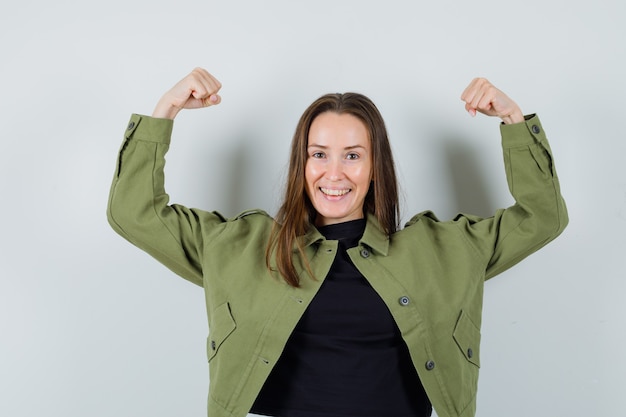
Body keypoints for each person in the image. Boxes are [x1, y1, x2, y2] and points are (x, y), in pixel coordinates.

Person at [107, 68, 568, 417]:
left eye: (352, 155)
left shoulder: (444, 250)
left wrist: (512, 120)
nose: (334, 173)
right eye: (318, 155)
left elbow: (542, 218)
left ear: (374, 167)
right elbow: (134, 214)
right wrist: (165, 109)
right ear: (301, 164)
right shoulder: (239, 246)